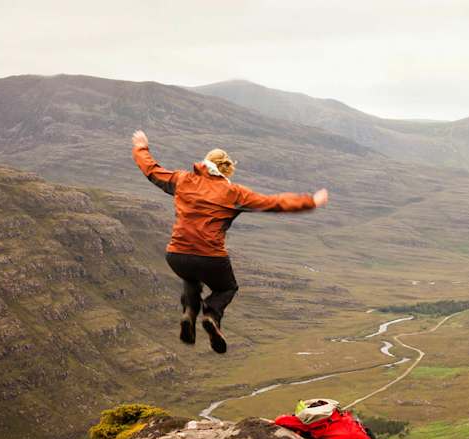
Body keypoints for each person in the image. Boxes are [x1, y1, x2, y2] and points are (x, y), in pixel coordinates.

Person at [131, 130, 328, 352]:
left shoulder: (182, 180)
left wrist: (141, 147)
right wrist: (310, 201)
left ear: (204, 163)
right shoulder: (233, 193)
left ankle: (189, 313)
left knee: (191, 278)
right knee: (226, 288)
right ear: (227, 168)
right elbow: (274, 202)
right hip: (211, 257)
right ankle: (211, 316)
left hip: (177, 255)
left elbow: (152, 170)